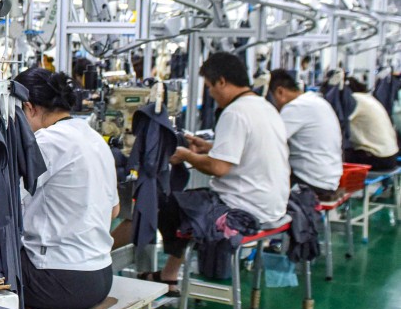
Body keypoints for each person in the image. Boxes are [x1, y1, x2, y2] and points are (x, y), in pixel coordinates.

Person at [154, 52, 289, 290]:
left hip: (244, 208)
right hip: (273, 204)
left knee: (168, 205)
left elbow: (218, 168)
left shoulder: (234, 113)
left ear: (222, 82)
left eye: (209, 86)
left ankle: (167, 275)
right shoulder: (264, 107)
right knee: (188, 202)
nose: (210, 93)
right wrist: (209, 148)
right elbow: (245, 153)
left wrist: (187, 155)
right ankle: (170, 274)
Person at [14, 67, 118, 309]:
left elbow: (3, 207)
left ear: (29, 108)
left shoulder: (47, 141)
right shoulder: (93, 138)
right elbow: (115, 211)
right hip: (100, 276)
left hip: (60, 281)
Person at [269, 69, 342, 203]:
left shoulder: (296, 107)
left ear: (280, 92)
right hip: (330, 179)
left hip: (312, 184)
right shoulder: (317, 101)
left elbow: (269, 142)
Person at [345, 78, 399, 171]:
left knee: (333, 158)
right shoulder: (368, 98)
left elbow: (338, 122)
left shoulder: (355, 100)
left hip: (378, 158)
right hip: (391, 155)